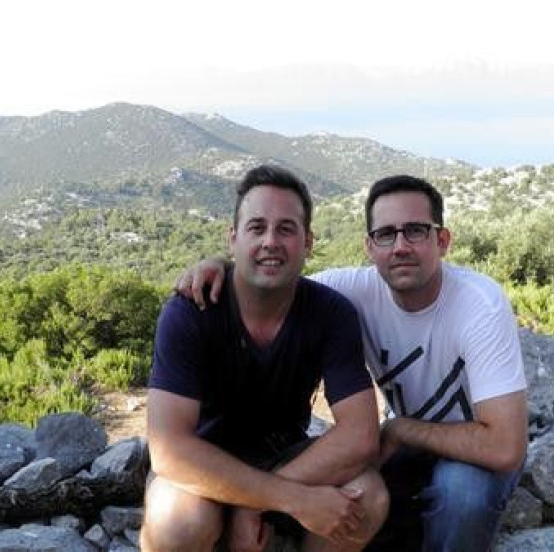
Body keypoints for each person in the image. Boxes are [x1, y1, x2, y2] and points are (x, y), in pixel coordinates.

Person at [176, 174, 528, 551]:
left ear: (441, 241)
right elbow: (274, 276)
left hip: (476, 449)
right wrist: (219, 266)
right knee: (359, 492)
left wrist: (400, 430)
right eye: (386, 234)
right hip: (409, 447)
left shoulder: (478, 305)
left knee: (460, 494)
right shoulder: (352, 290)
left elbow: (506, 447)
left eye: (415, 231)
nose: (400, 247)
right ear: (369, 246)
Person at [142, 165, 389, 552]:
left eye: (286, 229)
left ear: (307, 243)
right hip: (204, 465)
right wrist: (288, 500)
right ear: (233, 238)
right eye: (257, 227)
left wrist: (252, 507)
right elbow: (170, 450)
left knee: (368, 497)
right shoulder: (192, 309)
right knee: (177, 520)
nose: (270, 241)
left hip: (285, 457)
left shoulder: (331, 313)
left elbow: (360, 437)